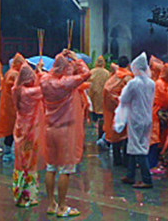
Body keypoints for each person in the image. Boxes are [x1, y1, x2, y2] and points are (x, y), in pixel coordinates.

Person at [41, 50, 90, 217]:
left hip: (50, 128)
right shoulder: (66, 83)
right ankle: (62, 207)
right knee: (66, 169)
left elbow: (43, 73)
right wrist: (76, 59)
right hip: (66, 130)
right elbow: (86, 74)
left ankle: (51, 204)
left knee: (51, 166)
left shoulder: (45, 80)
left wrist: (58, 59)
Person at [115, 53, 156, 189]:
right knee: (138, 145)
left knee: (138, 148)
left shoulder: (134, 83)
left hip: (136, 118)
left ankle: (146, 179)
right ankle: (130, 174)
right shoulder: (151, 83)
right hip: (148, 118)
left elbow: (125, 99)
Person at [11, 63, 45, 207]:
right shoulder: (31, 92)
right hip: (30, 132)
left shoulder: (16, 90)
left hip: (20, 129)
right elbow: (45, 88)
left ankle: (19, 194)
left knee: (20, 161)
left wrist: (37, 70)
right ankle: (28, 196)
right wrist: (41, 72)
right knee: (29, 162)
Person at [103, 56, 133, 166]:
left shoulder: (113, 76)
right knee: (126, 135)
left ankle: (117, 160)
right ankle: (126, 160)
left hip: (113, 110)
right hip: (125, 109)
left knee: (116, 134)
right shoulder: (127, 77)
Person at [0, 53, 26, 162]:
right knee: (13, 130)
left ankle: (9, 151)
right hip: (13, 107)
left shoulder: (12, 73)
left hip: (10, 106)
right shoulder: (14, 74)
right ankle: (11, 152)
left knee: (11, 129)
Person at [149, 61, 168, 172]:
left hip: (162, 115)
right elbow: (165, 99)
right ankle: (153, 164)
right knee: (156, 140)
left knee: (161, 138)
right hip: (157, 114)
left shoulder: (165, 83)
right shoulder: (160, 83)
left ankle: (158, 161)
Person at [88, 55, 111, 144]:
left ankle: (96, 131)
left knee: (95, 115)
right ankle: (100, 134)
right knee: (102, 116)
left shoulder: (92, 72)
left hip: (93, 96)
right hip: (103, 97)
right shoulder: (107, 73)